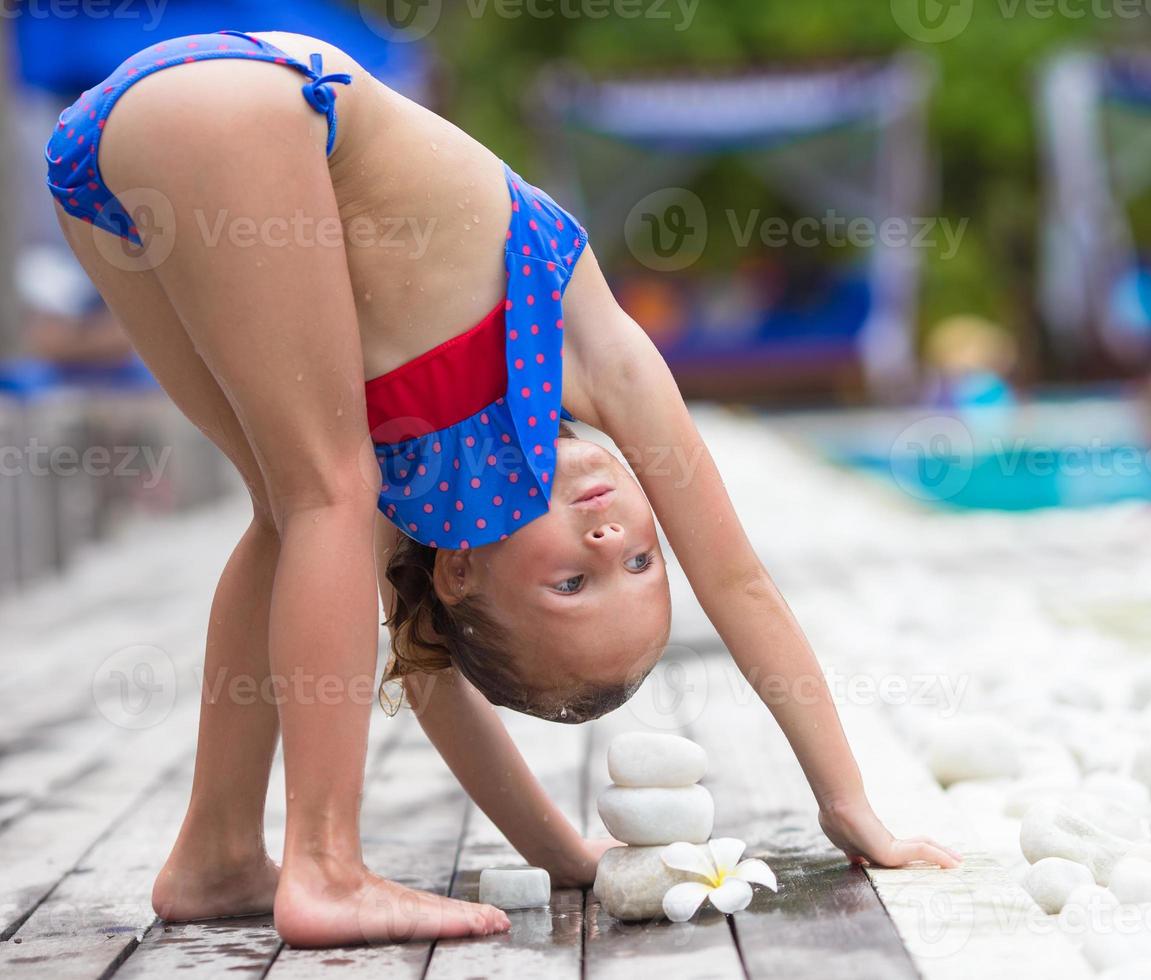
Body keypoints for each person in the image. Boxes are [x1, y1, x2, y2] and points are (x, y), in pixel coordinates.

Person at [46, 31, 959, 949]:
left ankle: (216, 854)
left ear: (458, 578)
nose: (612, 545)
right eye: (644, 561)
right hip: (252, 102)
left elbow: (429, 670)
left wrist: (565, 853)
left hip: (117, 159)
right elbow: (739, 583)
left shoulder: (430, 519)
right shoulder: (593, 349)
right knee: (328, 492)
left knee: (295, 513)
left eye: (573, 584)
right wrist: (849, 805)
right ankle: (325, 866)